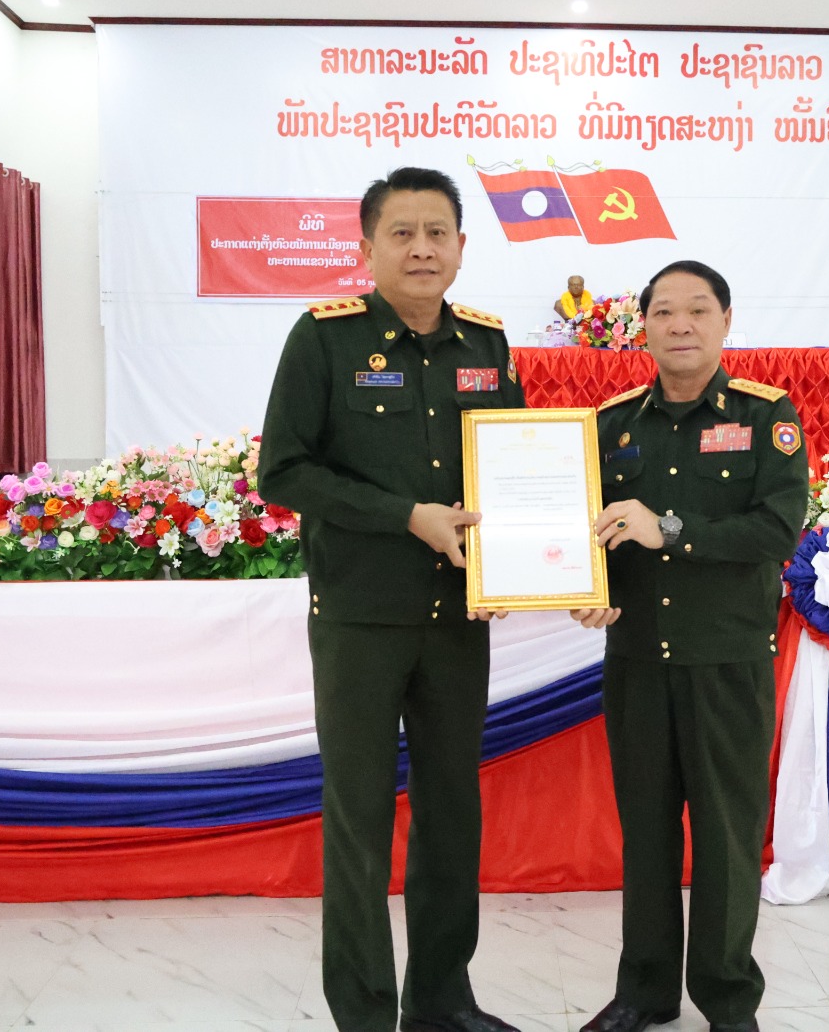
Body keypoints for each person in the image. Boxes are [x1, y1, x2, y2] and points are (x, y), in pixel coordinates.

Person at [258, 167, 524, 1032]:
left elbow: (514, 469)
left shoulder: (486, 344)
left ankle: (443, 1001)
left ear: (460, 247)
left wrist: (517, 564)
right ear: (368, 246)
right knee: (360, 820)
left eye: (436, 232)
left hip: (458, 620)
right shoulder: (324, 339)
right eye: (401, 233)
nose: (421, 249)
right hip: (361, 618)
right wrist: (406, 515)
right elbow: (283, 472)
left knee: (452, 815)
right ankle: (365, 1012)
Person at [571, 261, 810, 1032]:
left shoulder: (766, 415)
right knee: (645, 835)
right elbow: (586, 531)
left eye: (697, 310)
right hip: (637, 659)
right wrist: (584, 586)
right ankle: (643, 993)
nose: (680, 324)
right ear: (641, 326)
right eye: (664, 311)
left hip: (727, 661)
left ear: (725, 321)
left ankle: (729, 1001)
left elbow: (776, 531)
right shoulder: (612, 425)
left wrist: (669, 529)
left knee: (727, 839)